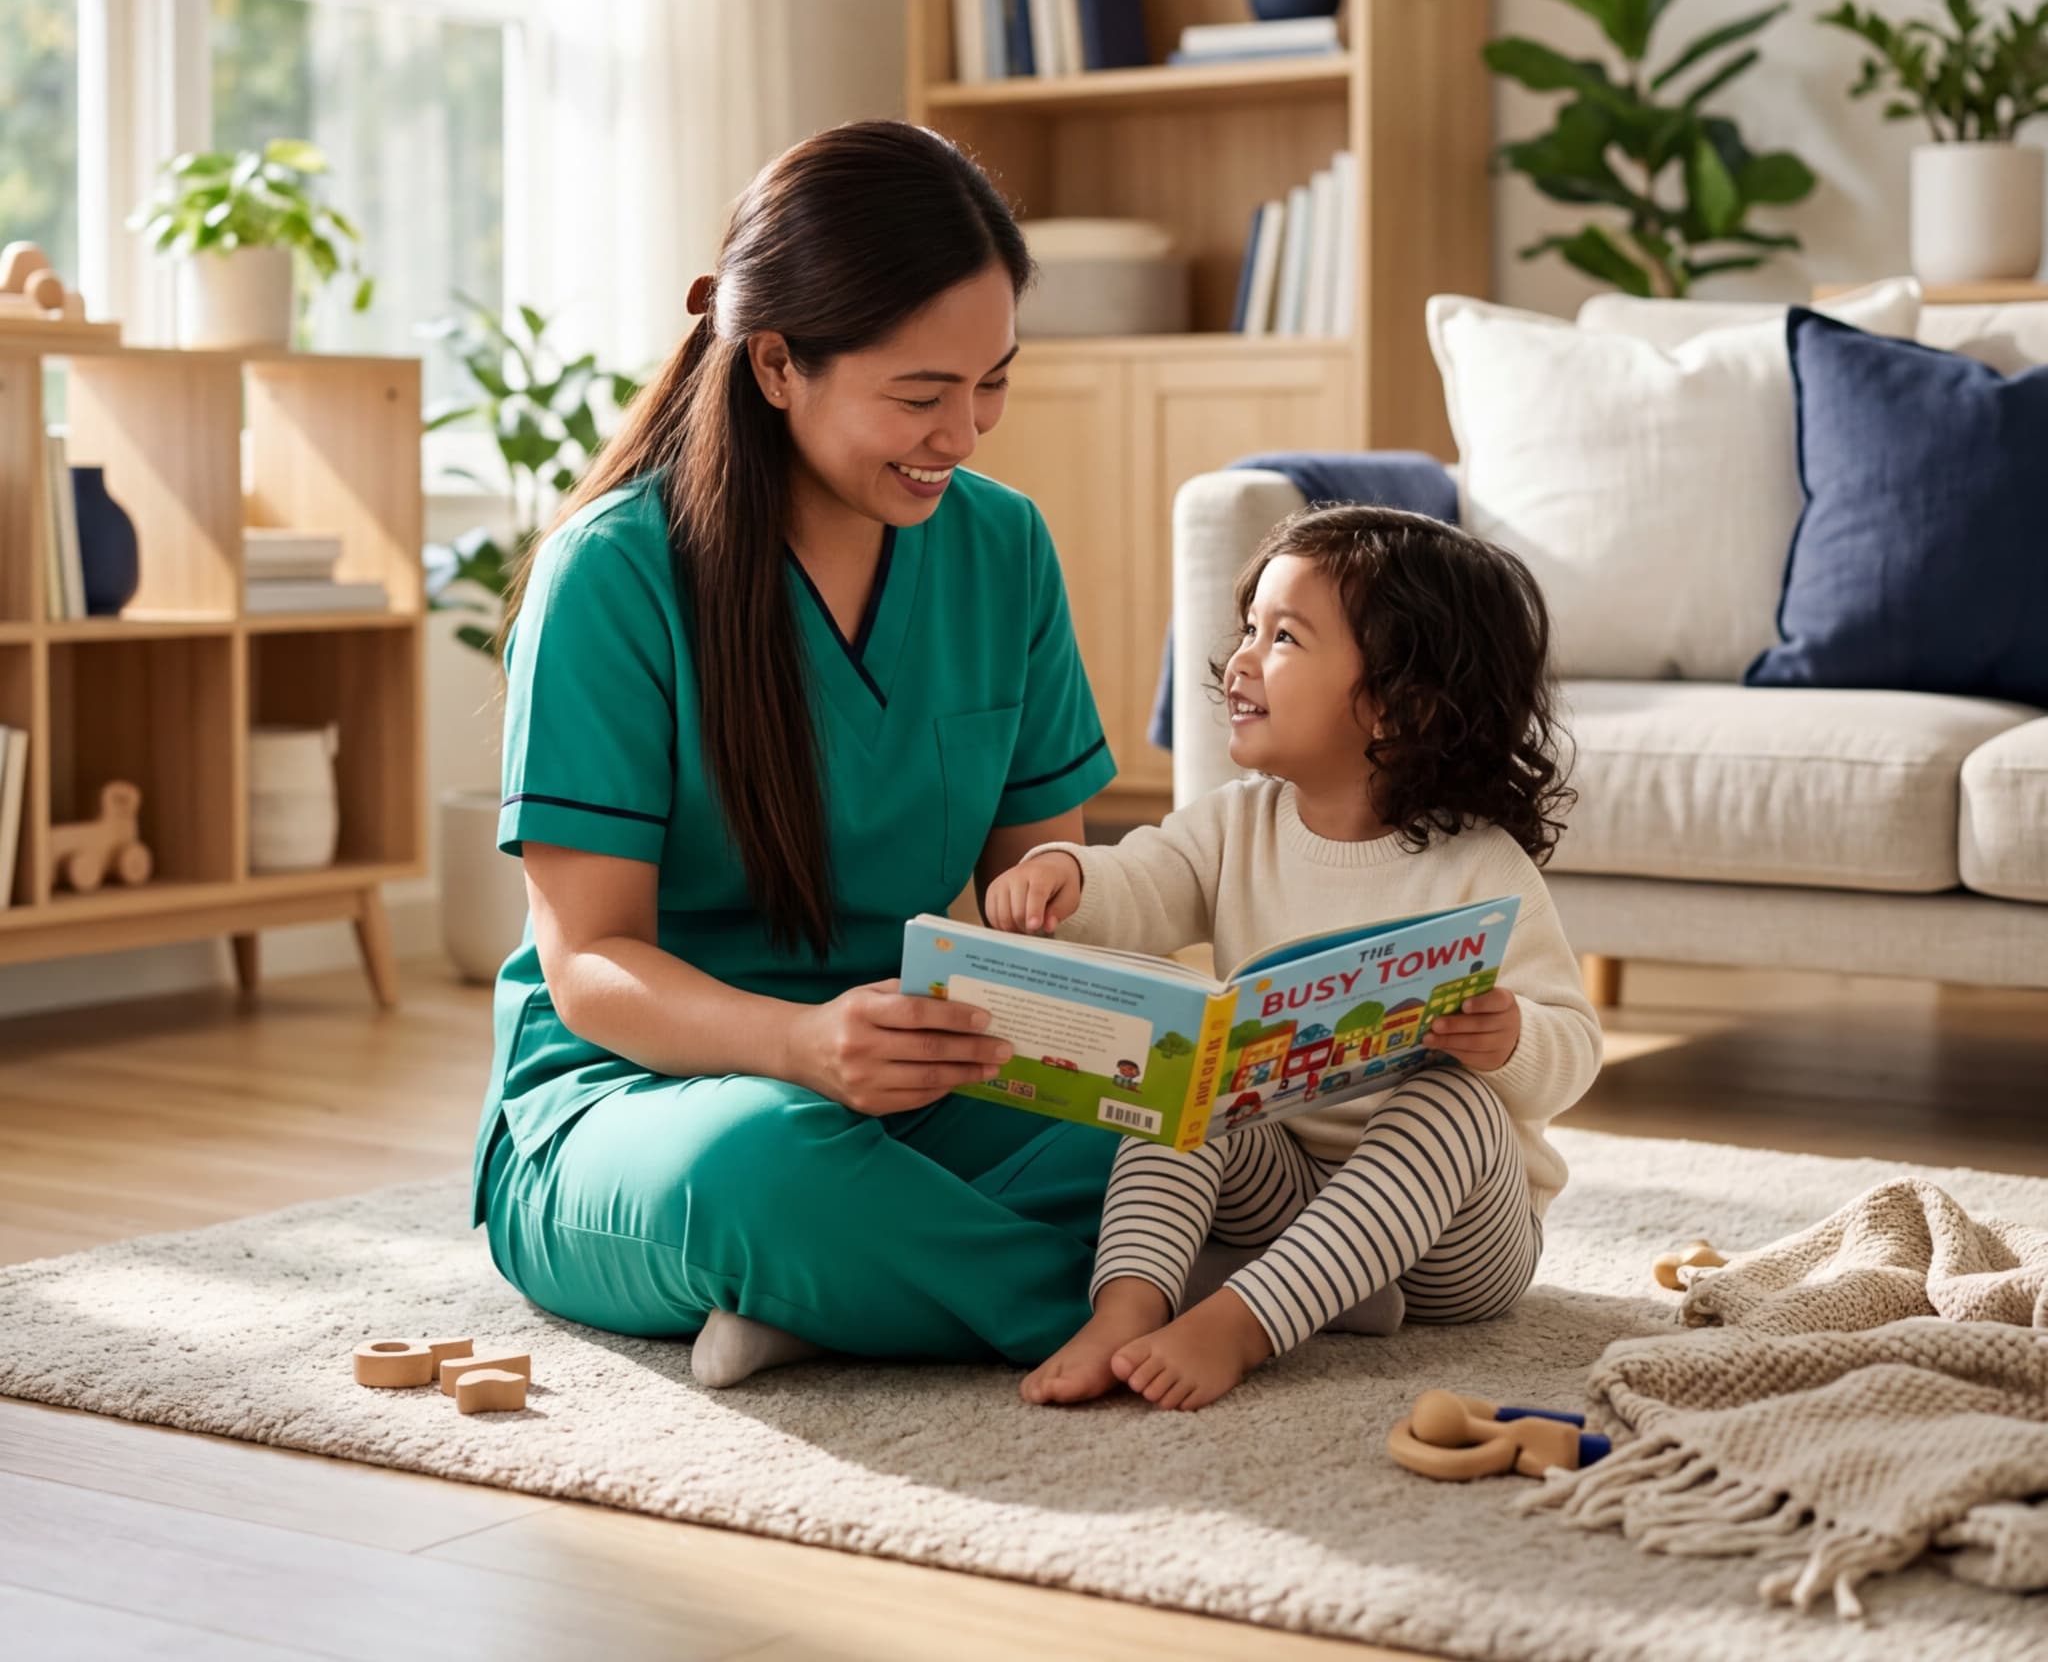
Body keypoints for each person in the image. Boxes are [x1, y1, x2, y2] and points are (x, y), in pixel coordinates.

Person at [471, 120, 1118, 1388]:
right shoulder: (611, 573)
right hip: (643, 1104)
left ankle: (839, 1298)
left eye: (991, 381)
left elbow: (1035, 862)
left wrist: (1054, 929)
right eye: (920, 394)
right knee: (766, 1171)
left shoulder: (1003, 546)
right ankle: (1173, 1306)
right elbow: (591, 961)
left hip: (915, 1078)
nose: (966, 432)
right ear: (776, 364)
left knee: (1200, 1142)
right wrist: (799, 1044)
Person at [986, 504, 1602, 1410]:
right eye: (1248, 628)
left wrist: (1509, 1039)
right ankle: (1129, 1303)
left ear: (1400, 701)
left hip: (1457, 1242)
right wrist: (1063, 879)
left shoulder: (1478, 869)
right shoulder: (1239, 821)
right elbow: (1141, 882)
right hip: (1284, 1196)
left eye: (1284, 637)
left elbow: (1576, 1051)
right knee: (1181, 1071)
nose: (1240, 659)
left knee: (1454, 1100)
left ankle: (1241, 1321)